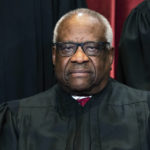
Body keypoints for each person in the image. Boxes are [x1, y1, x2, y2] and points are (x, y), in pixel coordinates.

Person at [0, 8, 149, 150]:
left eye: (91, 47)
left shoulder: (144, 112)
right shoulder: (18, 119)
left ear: (109, 56)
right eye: (67, 48)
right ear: (54, 55)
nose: (79, 58)